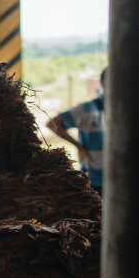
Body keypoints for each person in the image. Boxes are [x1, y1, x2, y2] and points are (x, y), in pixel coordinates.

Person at [46, 67, 106, 197]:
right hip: (95, 181)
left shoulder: (128, 112)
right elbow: (53, 124)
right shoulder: (87, 110)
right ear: (104, 84)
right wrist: (78, 146)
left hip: (123, 179)